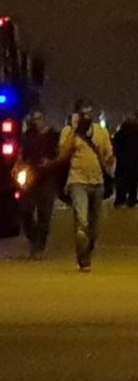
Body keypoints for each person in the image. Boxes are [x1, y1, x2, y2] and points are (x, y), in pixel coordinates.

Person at [57, 100, 115, 272]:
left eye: (90, 113)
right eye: (84, 114)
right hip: (77, 181)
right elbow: (62, 156)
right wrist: (75, 131)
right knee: (82, 221)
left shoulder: (101, 132)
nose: (87, 117)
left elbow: (108, 155)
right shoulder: (69, 132)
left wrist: (110, 162)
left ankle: (87, 252)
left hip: (97, 182)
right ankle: (83, 260)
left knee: (95, 227)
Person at [15, 108, 59, 259]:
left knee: (44, 214)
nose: (37, 122)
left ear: (44, 119)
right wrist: (18, 166)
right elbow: (21, 154)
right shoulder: (28, 136)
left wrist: (50, 162)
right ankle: (33, 239)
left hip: (47, 178)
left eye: (39, 118)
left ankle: (40, 244)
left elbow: (60, 155)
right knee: (25, 210)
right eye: (34, 119)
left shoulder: (53, 135)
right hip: (30, 177)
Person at [113, 112, 138, 208]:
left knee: (121, 180)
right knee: (133, 181)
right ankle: (132, 200)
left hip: (122, 160)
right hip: (134, 160)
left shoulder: (121, 133)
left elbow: (116, 145)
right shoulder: (136, 132)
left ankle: (120, 199)